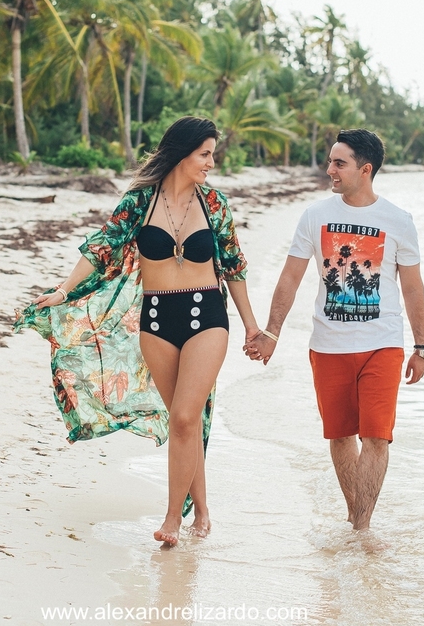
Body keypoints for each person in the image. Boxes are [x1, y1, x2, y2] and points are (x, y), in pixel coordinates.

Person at [15, 117, 260, 546]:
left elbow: (234, 266)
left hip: (208, 315)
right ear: (182, 152)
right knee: (185, 422)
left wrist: (252, 326)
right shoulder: (140, 201)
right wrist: (63, 290)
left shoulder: (215, 204)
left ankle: (172, 519)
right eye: (205, 153)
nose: (211, 162)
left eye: (211, 154)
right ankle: (202, 512)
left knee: (185, 416)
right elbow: (103, 244)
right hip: (158, 319)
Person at [246, 129, 424, 530]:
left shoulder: (398, 221)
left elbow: (412, 287)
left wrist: (422, 346)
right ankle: (354, 520)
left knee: (377, 437)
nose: (329, 169)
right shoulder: (315, 216)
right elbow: (290, 277)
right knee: (341, 436)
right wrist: (271, 332)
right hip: (327, 346)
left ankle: (362, 529)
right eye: (330, 161)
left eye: (338, 163)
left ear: (365, 170)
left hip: (383, 345)